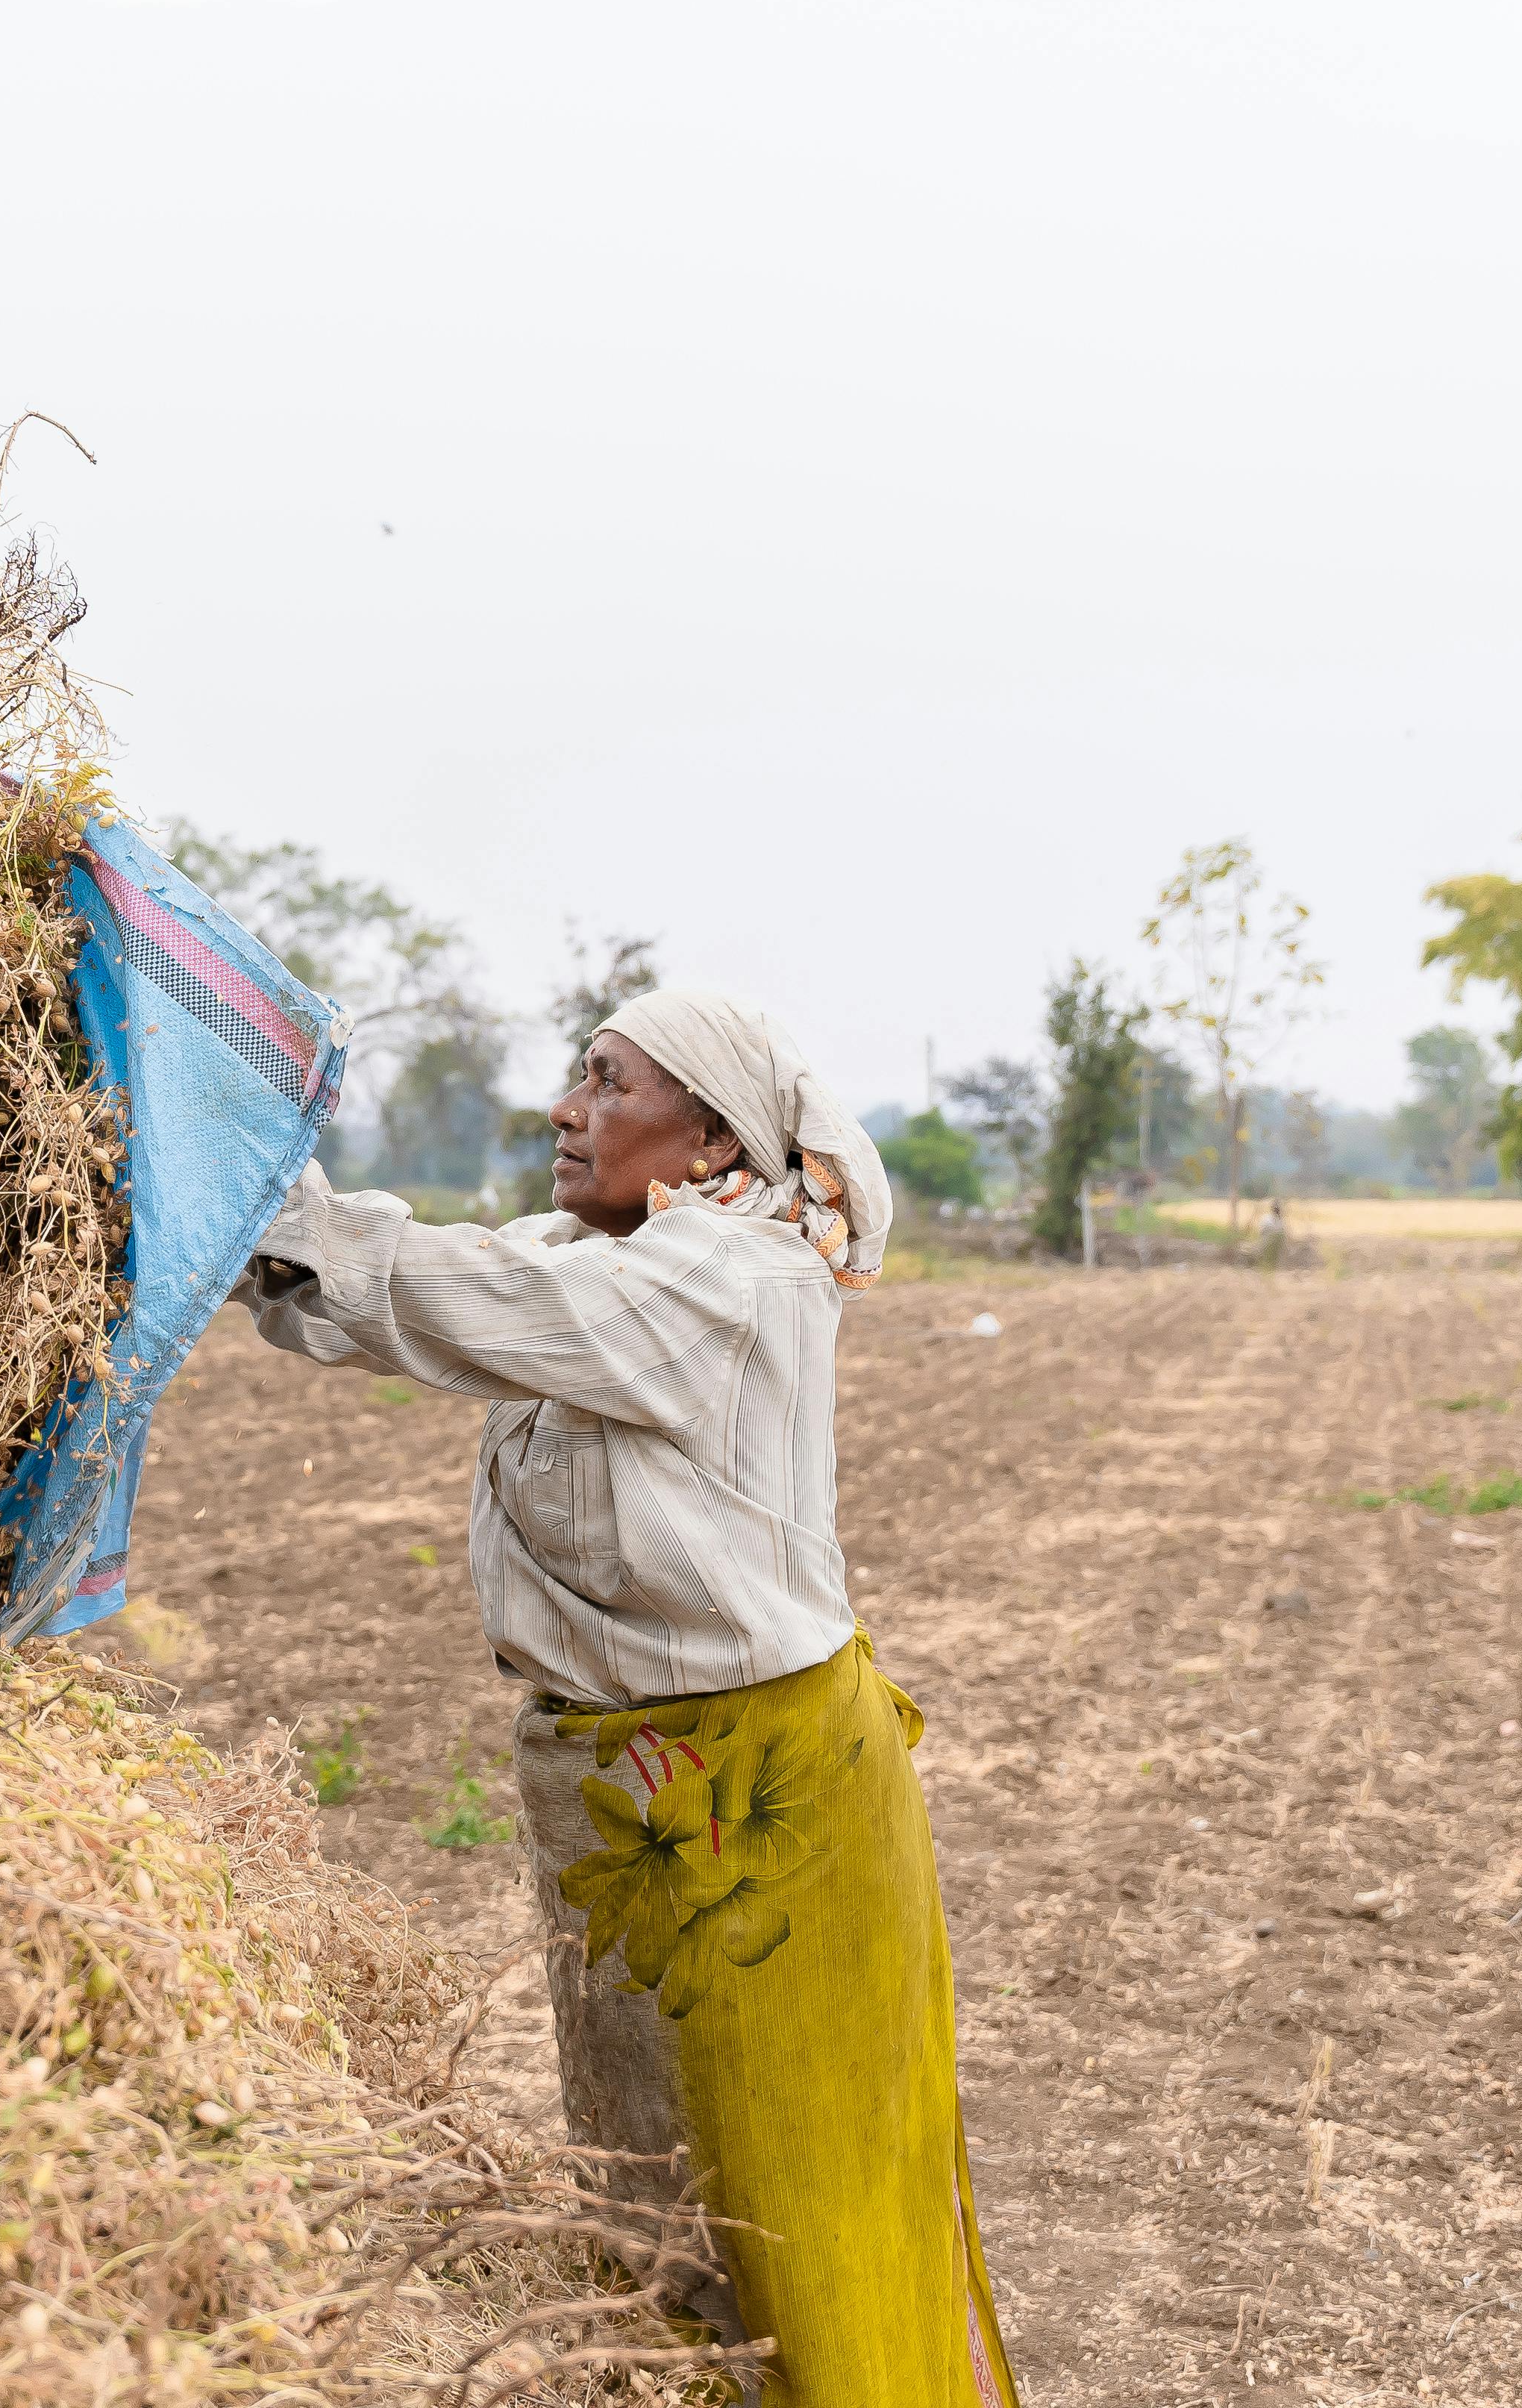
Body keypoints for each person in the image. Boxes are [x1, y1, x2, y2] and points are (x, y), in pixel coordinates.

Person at [230, 989, 1018, 2404]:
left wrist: (267, 1204)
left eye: (607, 1082)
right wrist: (232, 1212)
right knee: (657, 2205)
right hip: (640, 1792)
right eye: (575, 1078)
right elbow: (398, 1303)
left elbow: (463, 1295)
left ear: (712, 1130)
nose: (565, 1110)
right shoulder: (613, 1259)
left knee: (789, 2215)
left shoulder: (728, 1280)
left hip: (757, 1802)